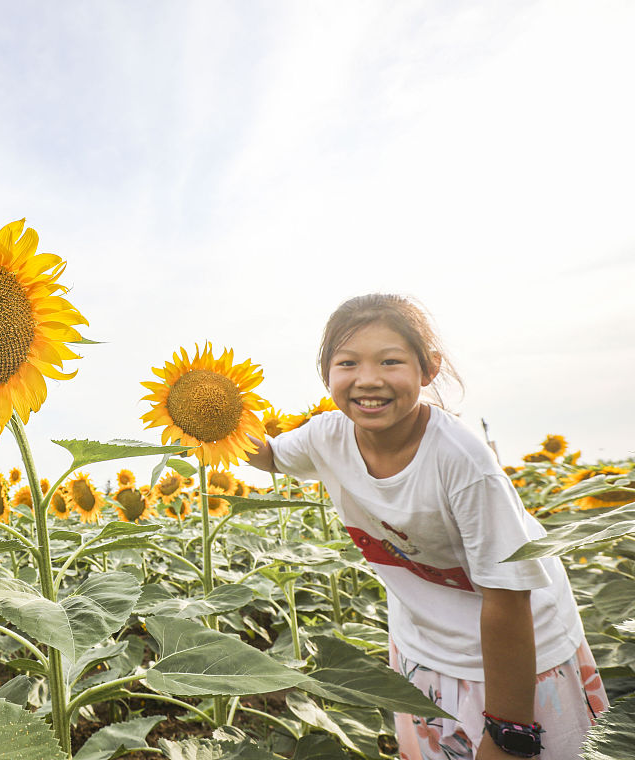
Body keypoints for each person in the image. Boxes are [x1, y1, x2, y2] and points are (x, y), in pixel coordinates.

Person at [246, 293, 608, 760]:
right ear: (327, 374)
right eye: (347, 363)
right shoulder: (325, 435)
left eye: (390, 361)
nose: (368, 379)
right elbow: (272, 455)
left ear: (428, 369)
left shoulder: (461, 460)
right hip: (424, 644)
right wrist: (206, 416)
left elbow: (508, 595)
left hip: (520, 655)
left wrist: (509, 734)